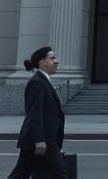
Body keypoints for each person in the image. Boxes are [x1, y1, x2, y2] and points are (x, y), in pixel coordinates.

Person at [8, 46, 66, 179]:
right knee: (60, 174)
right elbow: (35, 113)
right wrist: (39, 139)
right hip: (42, 141)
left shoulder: (43, 81)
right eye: (52, 58)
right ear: (42, 62)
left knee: (22, 173)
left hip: (43, 141)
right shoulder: (38, 83)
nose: (56, 61)